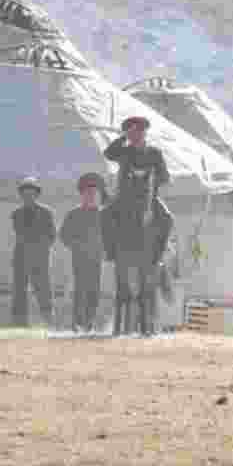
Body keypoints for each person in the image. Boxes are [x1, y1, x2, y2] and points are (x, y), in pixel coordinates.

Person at [102, 116, 174, 337]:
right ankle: (110, 250)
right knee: (105, 214)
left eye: (139, 132)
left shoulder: (155, 153)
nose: (136, 135)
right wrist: (122, 138)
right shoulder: (123, 151)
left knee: (167, 218)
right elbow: (108, 153)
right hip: (124, 199)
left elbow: (165, 176)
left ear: (145, 133)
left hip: (148, 198)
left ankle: (158, 254)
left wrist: (152, 179)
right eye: (132, 132)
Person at [60, 172, 107, 333]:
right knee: (80, 290)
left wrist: (105, 250)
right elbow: (64, 235)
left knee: (94, 290)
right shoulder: (74, 214)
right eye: (87, 193)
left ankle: (89, 322)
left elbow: (110, 236)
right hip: (79, 259)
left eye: (93, 193)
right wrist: (76, 246)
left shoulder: (103, 215)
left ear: (98, 195)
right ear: (82, 195)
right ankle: (78, 322)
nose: (91, 196)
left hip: (96, 258)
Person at [11, 176, 56, 327]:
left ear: (36, 194)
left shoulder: (46, 213)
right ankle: (19, 323)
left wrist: (41, 250)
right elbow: (20, 233)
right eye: (25, 193)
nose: (28, 196)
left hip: (40, 258)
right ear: (21, 195)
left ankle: (49, 322)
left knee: (43, 290)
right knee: (19, 291)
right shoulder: (16, 214)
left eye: (31, 193)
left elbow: (51, 236)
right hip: (21, 257)